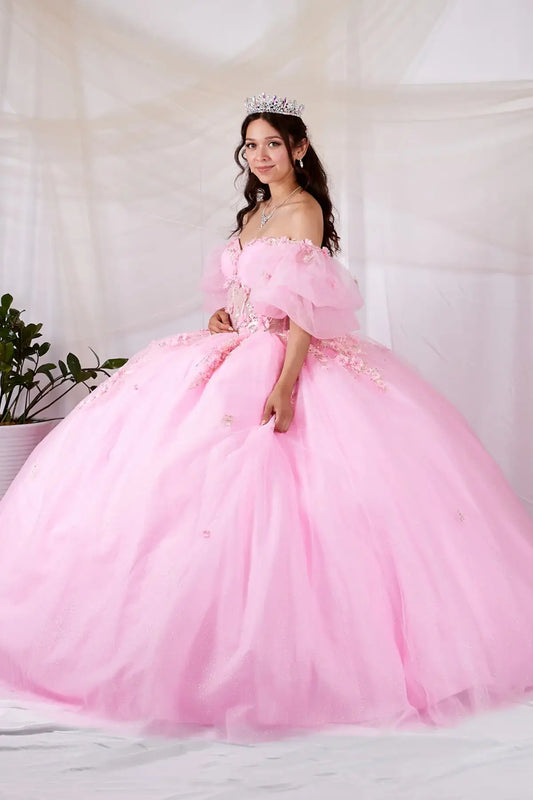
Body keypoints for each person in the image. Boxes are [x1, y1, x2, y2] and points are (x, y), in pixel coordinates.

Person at [0, 93, 532, 742]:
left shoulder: (303, 211)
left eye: (272, 145)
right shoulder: (254, 212)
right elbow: (242, 291)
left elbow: (304, 308)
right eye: (250, 146)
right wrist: (224, 316)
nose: (259, 156)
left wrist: (285, 384)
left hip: (284, 357)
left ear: (298, 149)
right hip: (233, 349)